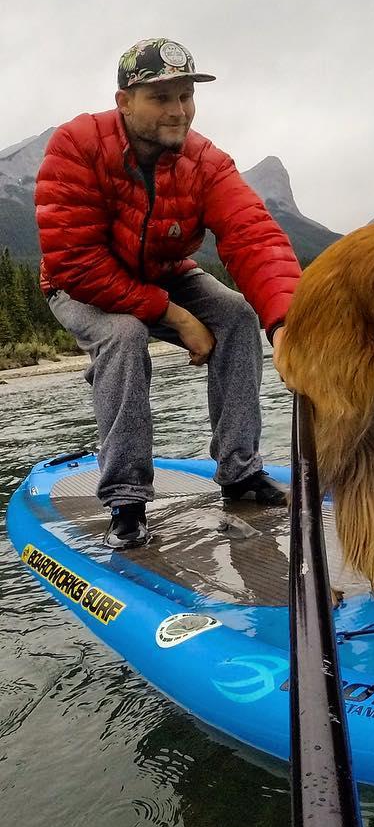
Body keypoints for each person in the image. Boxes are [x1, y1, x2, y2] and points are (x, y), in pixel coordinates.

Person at [35, 37, 301, 549]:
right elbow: (75, 260)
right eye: (161, 98)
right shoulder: (76, 144)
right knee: (124, 335)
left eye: (185, 97)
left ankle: (241, 473)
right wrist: (176, 317)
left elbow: (252, 235)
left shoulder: (207, 161)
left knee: (239, 315)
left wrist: (287, 322)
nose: (178, 111)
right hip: (77, 284)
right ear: (124, 102)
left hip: (161, 270)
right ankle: (127, 498)